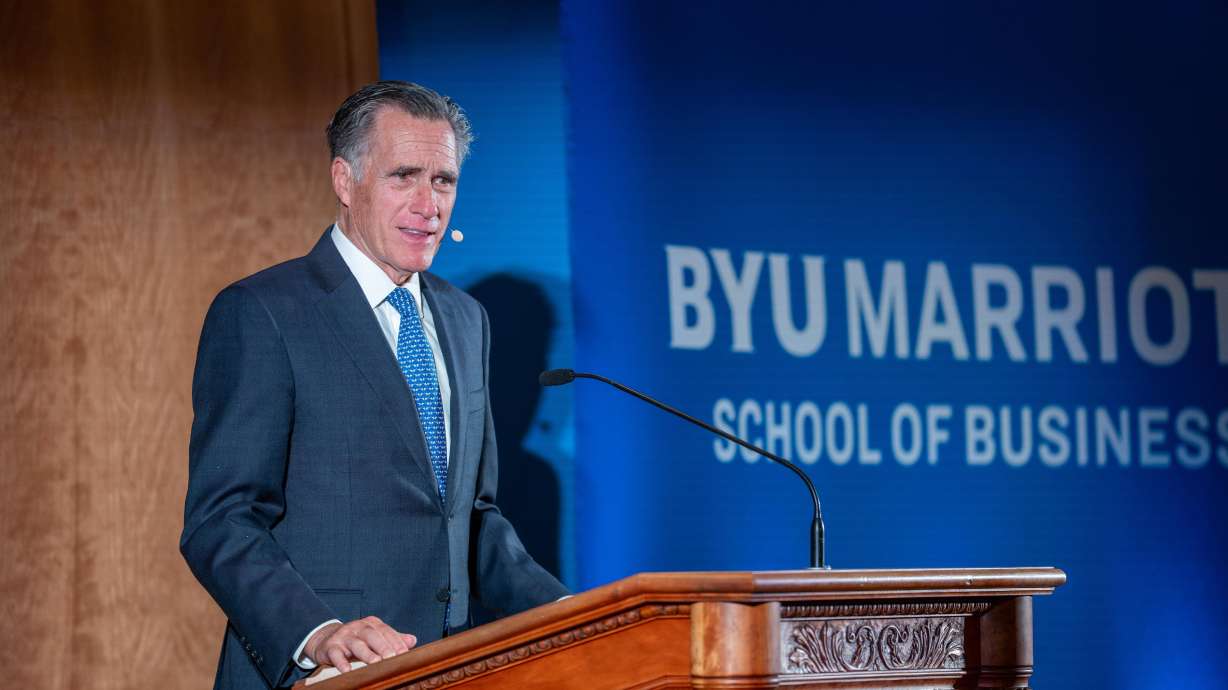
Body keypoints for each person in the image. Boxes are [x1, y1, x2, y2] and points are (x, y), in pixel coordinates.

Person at [180, 81, 568, 690]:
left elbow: (472, 517)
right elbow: (222, 519)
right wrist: (318, 632)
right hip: (318, 675)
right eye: (403, 176)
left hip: (449, 671)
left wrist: (575, 619)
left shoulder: (467, 321)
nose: (428, 204)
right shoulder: (264, 311)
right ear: (344, 180)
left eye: (443, 180)